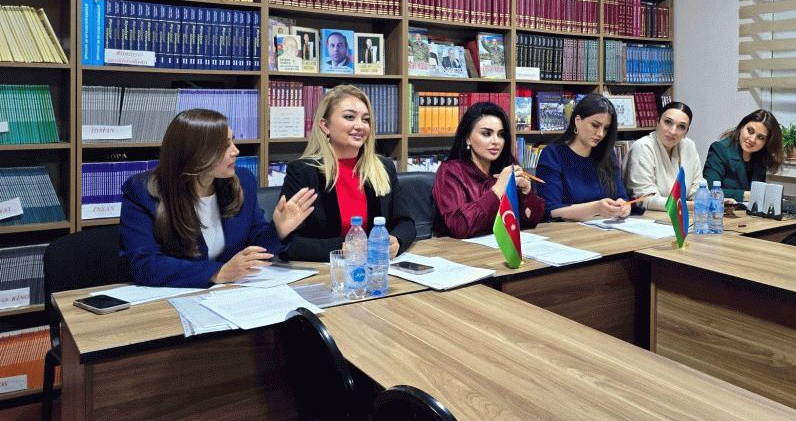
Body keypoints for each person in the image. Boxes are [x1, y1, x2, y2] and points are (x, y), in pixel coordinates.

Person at [119, 109, 317, 287]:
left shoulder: (242, 181)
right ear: (194, 153)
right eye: (224, 145)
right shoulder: (142, 190)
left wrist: (279, 230)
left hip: (230, 293)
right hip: (172, 298)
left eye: (233, 141)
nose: (235, 151)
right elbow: (144, 265)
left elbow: (255, 249)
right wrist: (217, 273)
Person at [280, 85, 416, 260]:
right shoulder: (302, 172)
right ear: (325, 126)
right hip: (329, 270)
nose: (360, 126)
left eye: (365, 120)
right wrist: (342, 247)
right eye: (349, 117)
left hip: (376, 267)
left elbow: (405, 223)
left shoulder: (384, 168)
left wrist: (396, 241)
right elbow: (289, 243)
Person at [432, 102, 544, 239]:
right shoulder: (450, 171)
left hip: (501, 244)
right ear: (467, 138)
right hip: (459, 249)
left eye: (501, 134)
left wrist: (527, 192)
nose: (496, 141)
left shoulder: (508, 165)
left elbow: (531, 222)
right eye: (486, 134)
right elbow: (459, 227)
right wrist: (498, 189)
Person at [536, 94, 641, 221]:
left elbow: (622, 197)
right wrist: (596, 208)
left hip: (605, 228)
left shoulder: (607, 154)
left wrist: (624, 207)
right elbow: (550, 210)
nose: (600, 133)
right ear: (577, 121)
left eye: (606, 128)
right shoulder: (553, 154)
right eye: (595, 125)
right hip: (567, 230)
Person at [623, 102, 706, 210]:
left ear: (686, 131)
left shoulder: (689, 145)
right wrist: (692, 206)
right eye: (668, 122)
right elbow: (645, 199)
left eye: (681, 127)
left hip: (679, 215)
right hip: (647, 215)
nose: (673, 131)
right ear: (657, 122)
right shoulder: (642, 147)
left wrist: (712, 201)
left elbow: (698, 189)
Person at [703, 109, 784, 201]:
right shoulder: (720, 149)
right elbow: (710, 191)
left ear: (766, 142)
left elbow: (758, 191)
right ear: (742, 127)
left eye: (760, 137)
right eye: (750, 131)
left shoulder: (761, 156)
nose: (752, 139)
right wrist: (748, 195)